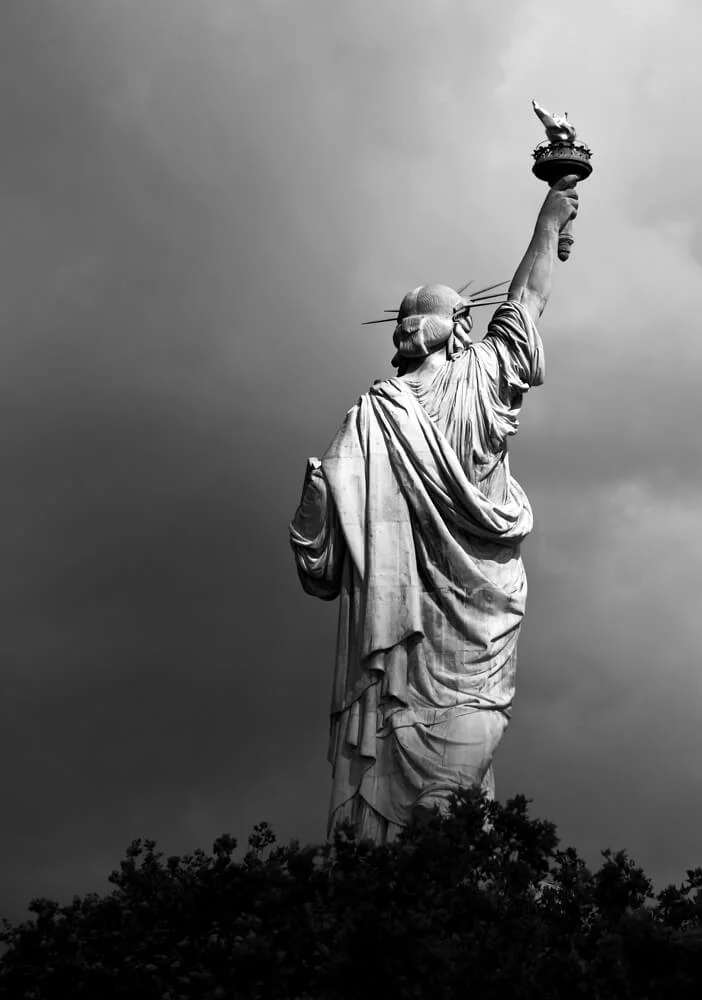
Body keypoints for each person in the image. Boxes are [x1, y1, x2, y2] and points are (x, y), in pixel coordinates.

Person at [289, 175, 580, 842]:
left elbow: (321, 565)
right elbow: (528, 298)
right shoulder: (408, 402)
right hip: (433, 625)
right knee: (437, 802)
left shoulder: (416, 400)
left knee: (450, 798)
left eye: (419, 316)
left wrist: (548, 219)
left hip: (440, 628)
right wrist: (549, 218)